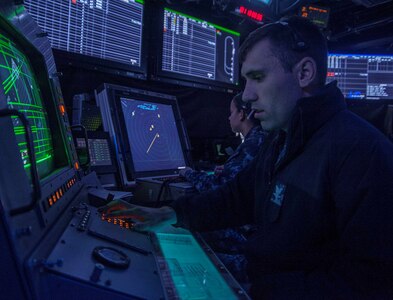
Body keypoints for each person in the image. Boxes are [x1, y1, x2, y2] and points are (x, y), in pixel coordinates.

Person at [101, 15, 393, 298]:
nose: (248, 95)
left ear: (304, 73)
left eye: (257, 78)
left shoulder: (364, 154)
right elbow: (239, 196)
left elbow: (369, 285)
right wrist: (171, 214)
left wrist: (260, 290)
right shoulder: (282, 139)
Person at [179, 92, 265, 192]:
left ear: (241, 114)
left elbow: (216, 186)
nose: (229, 117)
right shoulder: (262, 137)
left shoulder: (252, 144)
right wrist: (228, 169)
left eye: (231, 112)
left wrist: (188, 172)